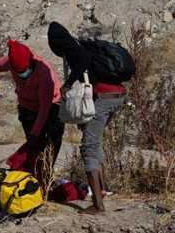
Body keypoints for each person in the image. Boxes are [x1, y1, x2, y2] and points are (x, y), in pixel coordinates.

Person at [47, 22, 125, 215]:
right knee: (94, 142)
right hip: (117, 95)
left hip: (105, 98)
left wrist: (67, 84)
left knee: (88, 147)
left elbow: (82, 62)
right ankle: (103, 189)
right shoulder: (79, 46)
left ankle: (98, 205)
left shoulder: (75, 50)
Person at [0, 39, 64, 191]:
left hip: (50, 110)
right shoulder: (11, 62)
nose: (22, 75)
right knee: (34, 150)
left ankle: (44, 182)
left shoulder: (44, 72)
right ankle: (34, 181)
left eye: (24, 71)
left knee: (49, 148)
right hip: (27, 110)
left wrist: (35, 133)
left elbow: (45, 107)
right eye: (18, 72)